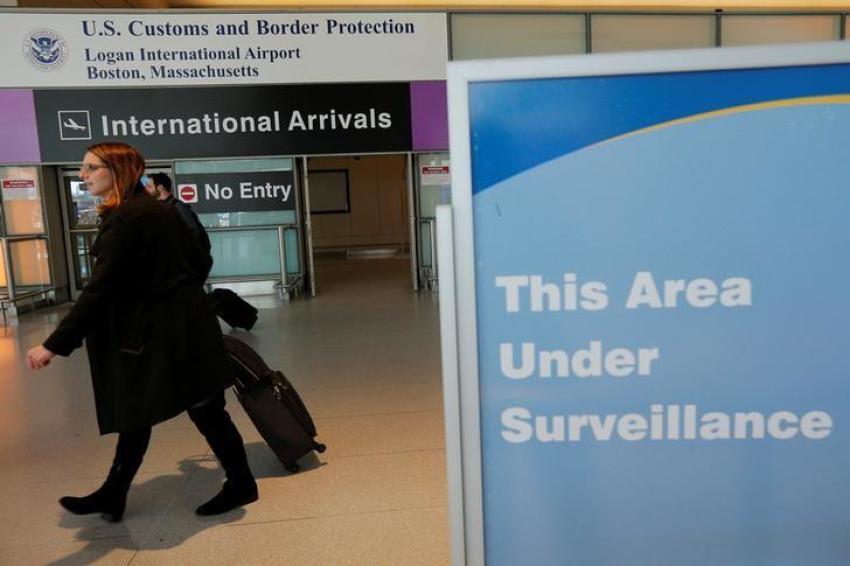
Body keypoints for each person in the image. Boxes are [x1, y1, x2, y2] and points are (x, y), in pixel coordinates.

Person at [26, 142, 257, 522]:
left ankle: (241, 483)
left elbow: (100, 289)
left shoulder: (130, 218)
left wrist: (54, 344)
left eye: (90, 168)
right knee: (146, 407)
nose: (83, 176)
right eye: (82, 169)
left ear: (116, 170)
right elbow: (201, 260)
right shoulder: (151, 210)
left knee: (202, 410)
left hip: (170, 333)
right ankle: (114, 493)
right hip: (179, 326)